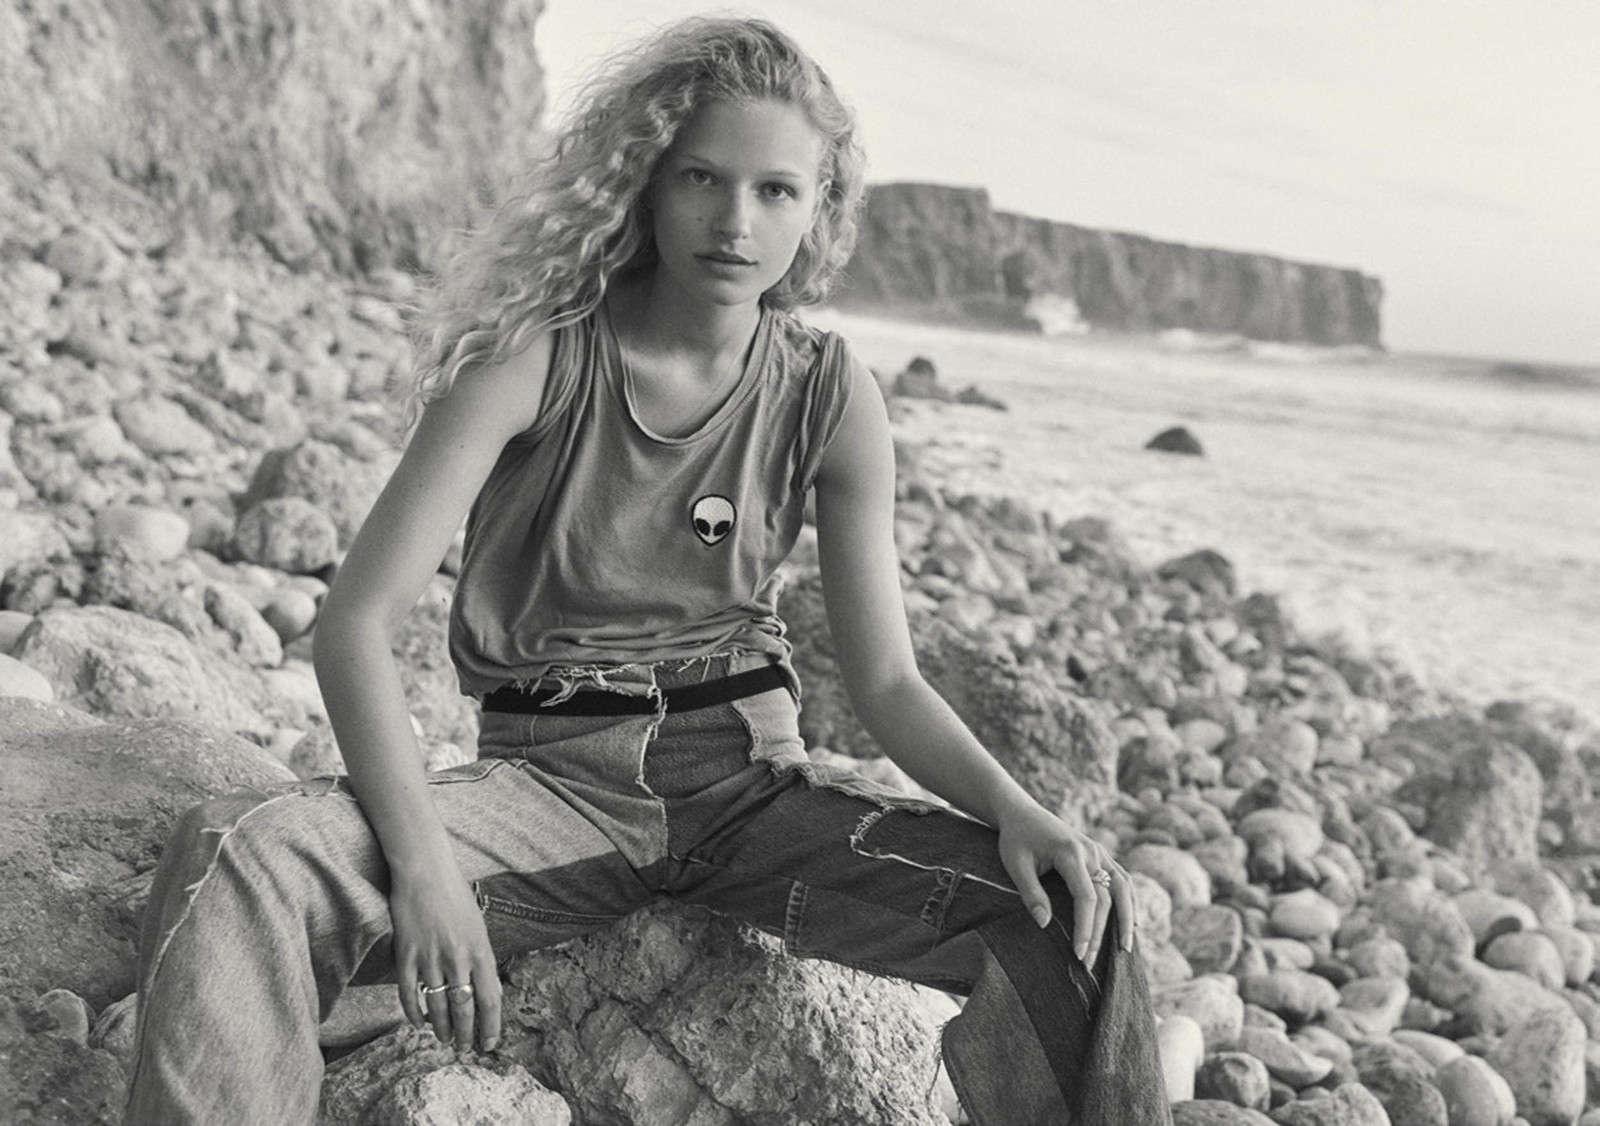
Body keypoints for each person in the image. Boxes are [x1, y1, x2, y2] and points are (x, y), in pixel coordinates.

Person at [126, 17, 1170, 1125]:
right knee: (239, 851)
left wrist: (1014, 808)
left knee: (1074, 917)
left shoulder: (828, 393)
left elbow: (889, 683)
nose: (734, 220)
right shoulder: (536, 357)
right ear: (645, 183)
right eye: (701, 179)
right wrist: (426, 871)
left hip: (751, 790)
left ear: (821, 207)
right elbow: (354, 624)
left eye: (776, 190)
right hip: (551, 787)